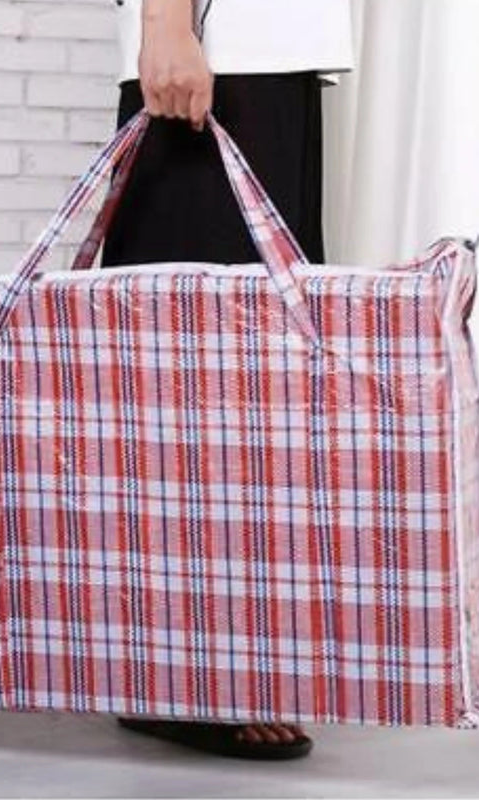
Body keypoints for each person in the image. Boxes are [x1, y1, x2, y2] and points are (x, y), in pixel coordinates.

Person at [101, 0, 355, 760]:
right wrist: (167, 25)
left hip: (272, 59)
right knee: (193, 383)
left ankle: (217, 659)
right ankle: (182, 674)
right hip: (221, 48)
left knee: (253, 382)